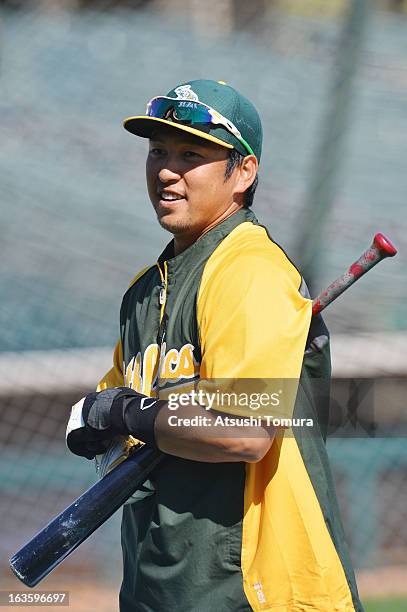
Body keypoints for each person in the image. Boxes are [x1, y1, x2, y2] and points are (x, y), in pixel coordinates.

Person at [66, 80, 364, 611]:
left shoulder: (249, 270)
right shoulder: (144, 290)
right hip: (159, 586)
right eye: (158, 151)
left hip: (252, 591)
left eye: (191, 155)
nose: (165, 171)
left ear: (243, 172)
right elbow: (119, 416)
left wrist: (130, 415)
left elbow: (245, 433)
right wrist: (96, 423)